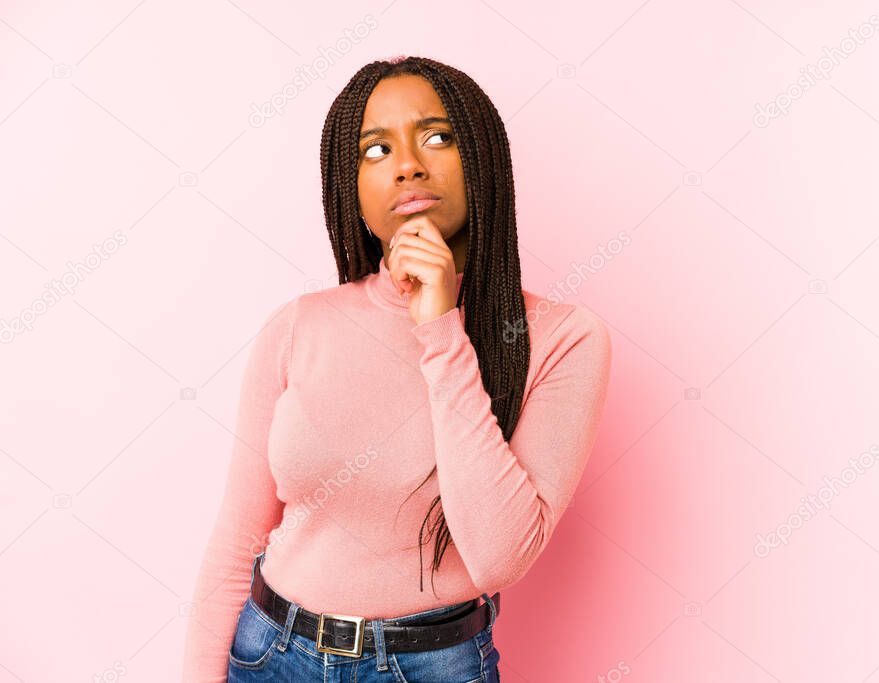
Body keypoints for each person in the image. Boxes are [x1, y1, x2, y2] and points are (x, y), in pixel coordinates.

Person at [181, 55, 612, 682]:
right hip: (271, 654)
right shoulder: (298, 327)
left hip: (431, 666)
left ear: (484, 159)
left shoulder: (566, 339)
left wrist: (440, 329)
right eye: (375, 150)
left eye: (437, 137)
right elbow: (235, 542)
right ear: (349, 188)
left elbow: (498, 558)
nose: (408, 163)